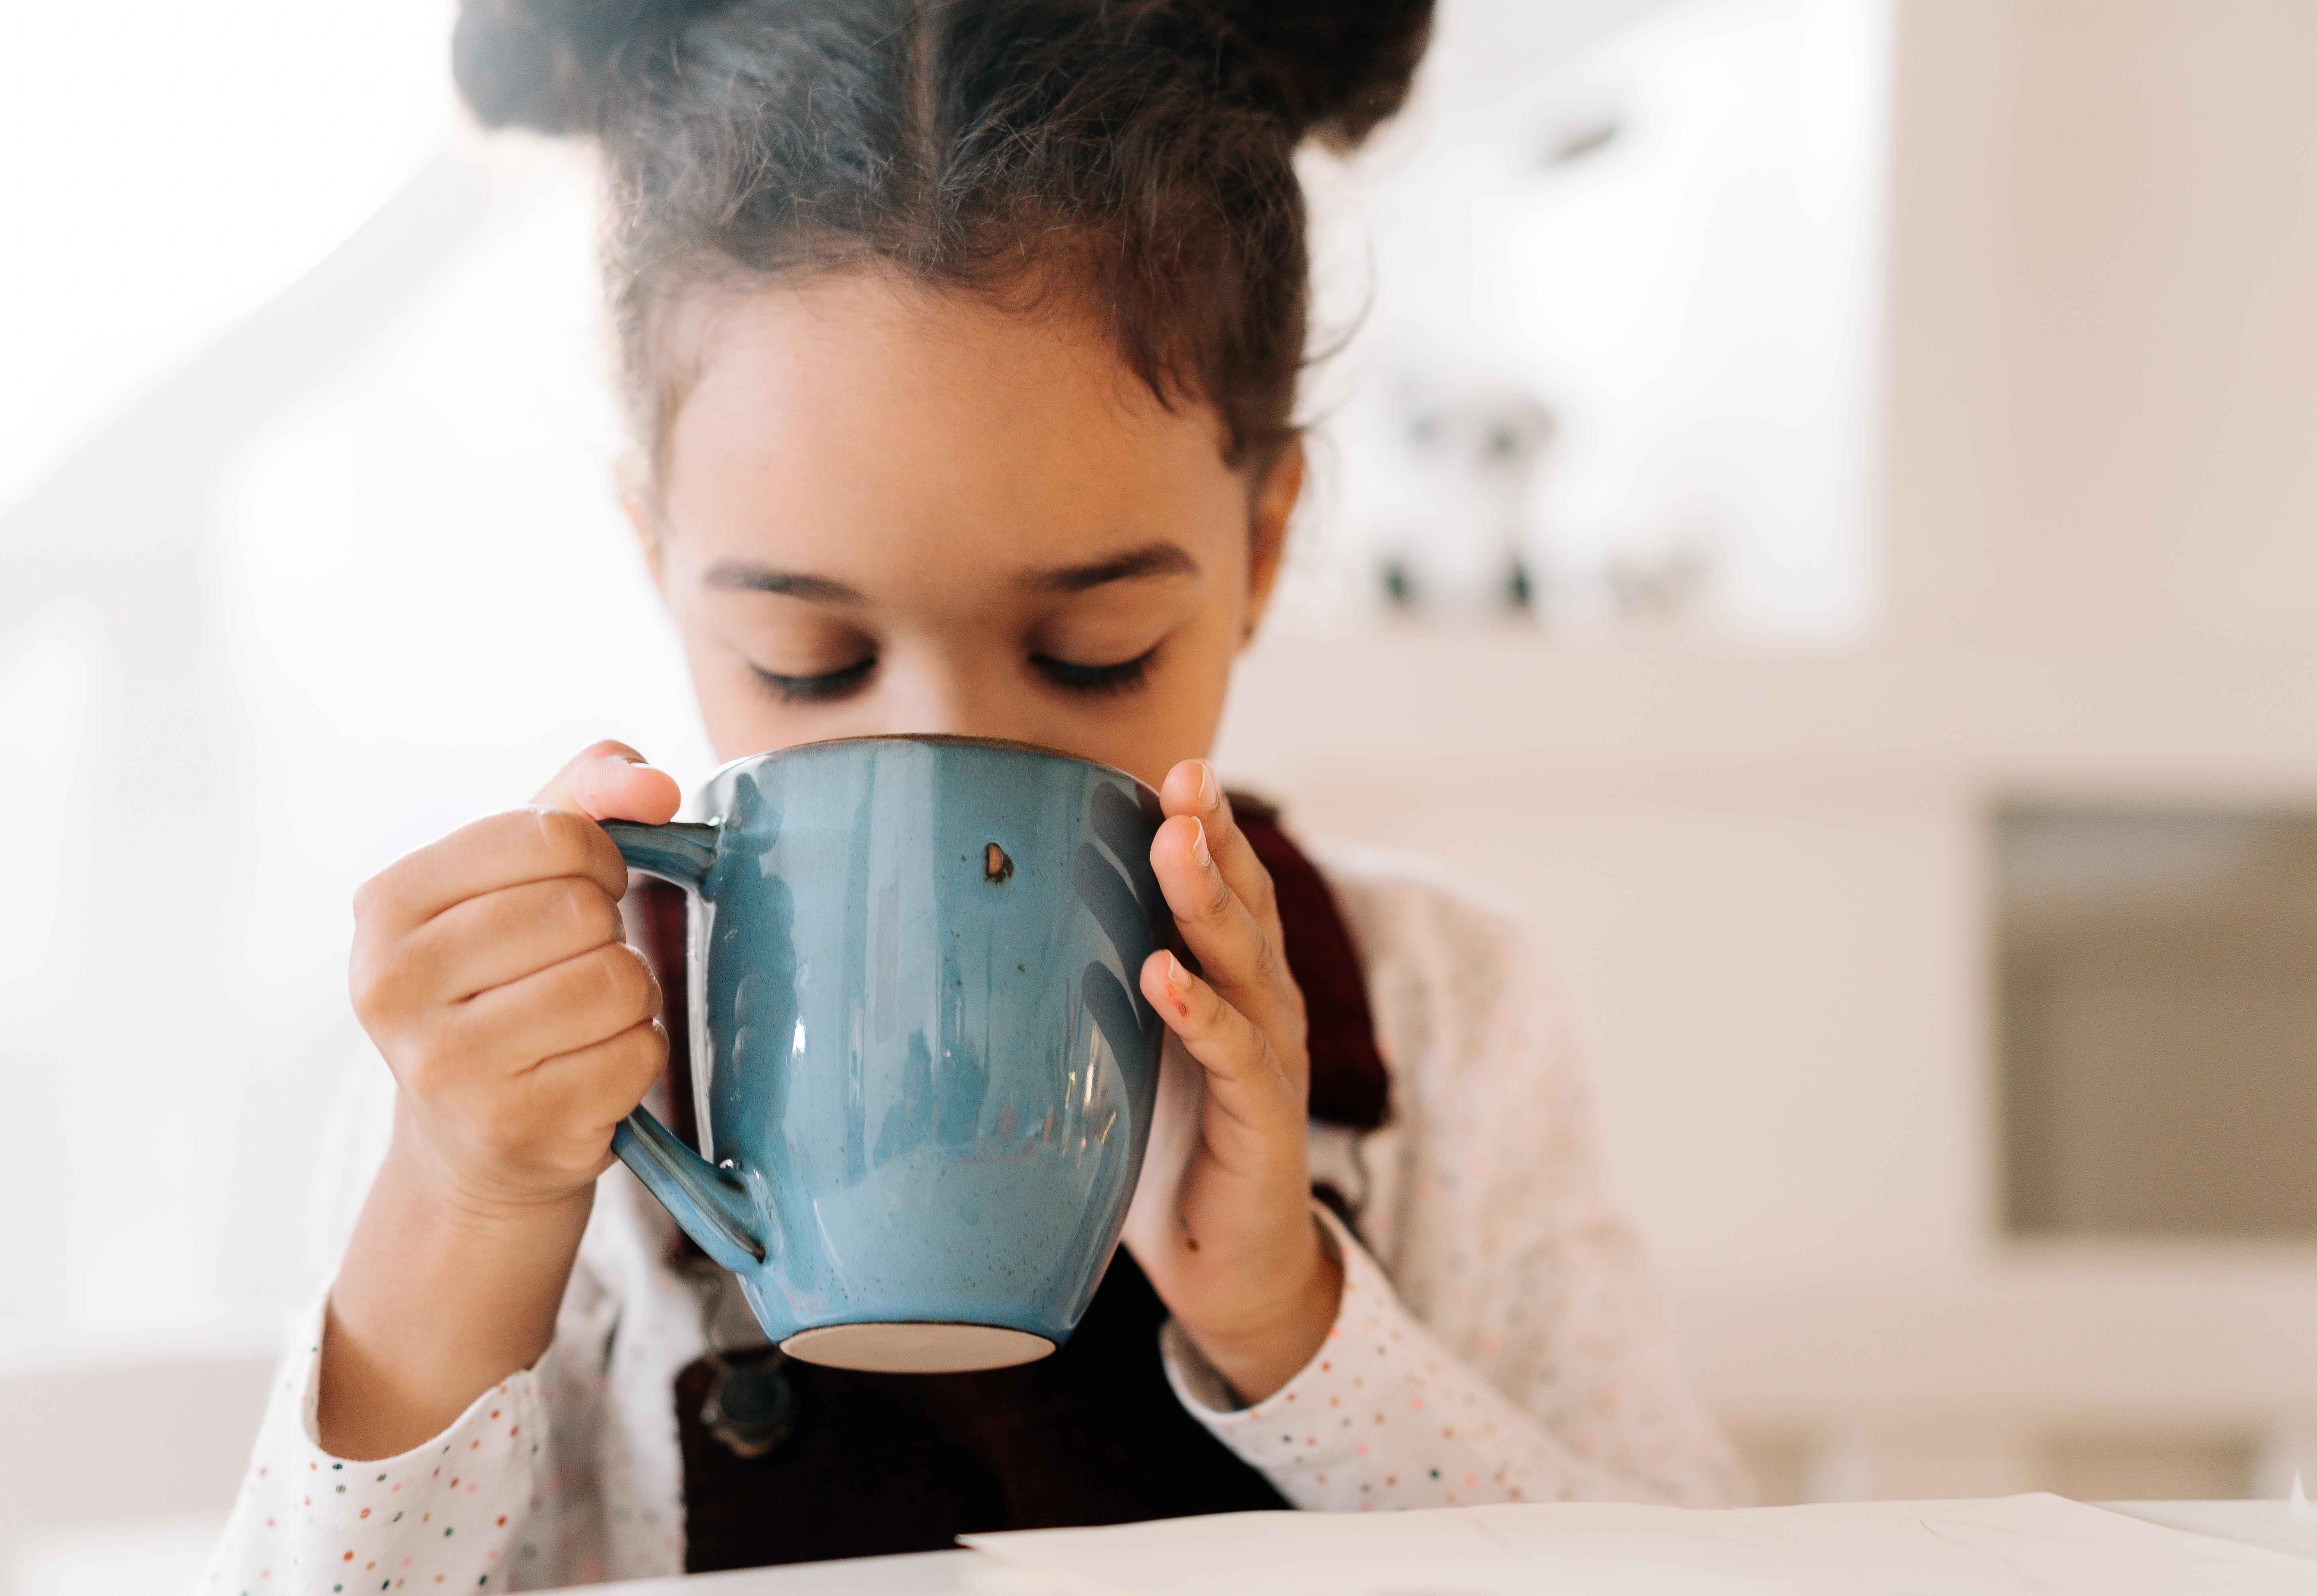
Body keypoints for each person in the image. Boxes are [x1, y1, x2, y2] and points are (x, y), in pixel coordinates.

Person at [203, 0, 1748, 1587]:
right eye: (808, 660)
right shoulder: (522, 1077)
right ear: (660, 560)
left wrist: (1297, 1323)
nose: (948, 750)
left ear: (1264, 546)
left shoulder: (1441, 1022)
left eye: (1093, 653)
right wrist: (460, 1218)